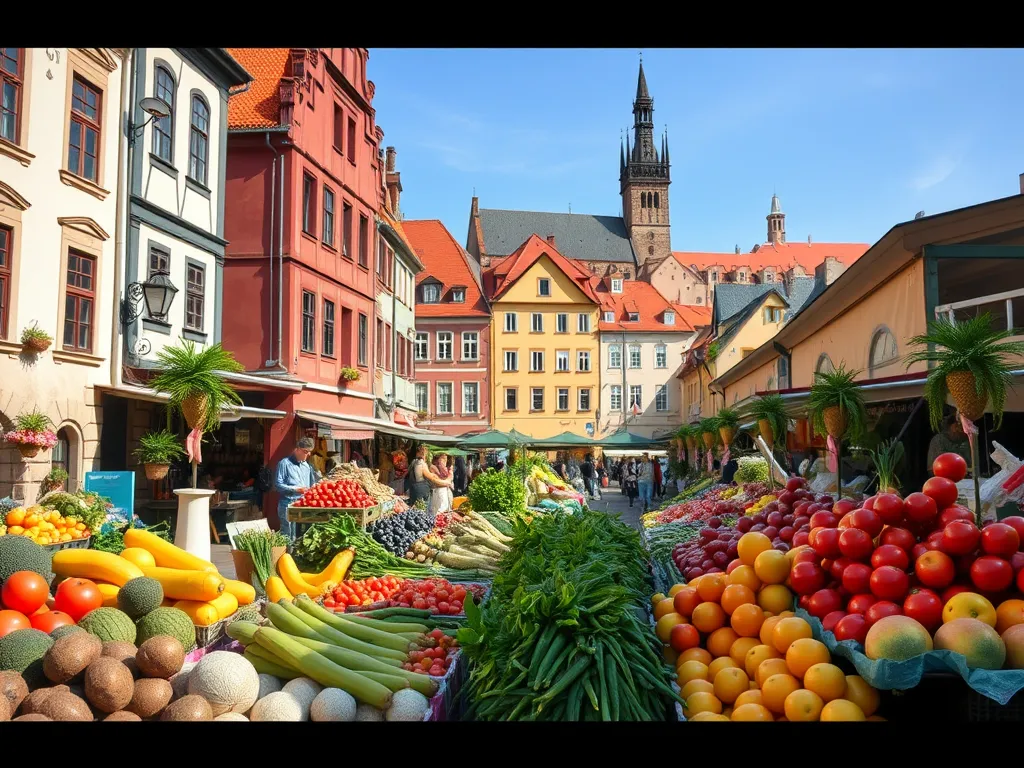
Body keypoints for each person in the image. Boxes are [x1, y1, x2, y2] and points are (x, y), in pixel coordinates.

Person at [274, 437, 319, 541]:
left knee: (304, 534)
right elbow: (278, 485)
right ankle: (286, 555)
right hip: (287, 503)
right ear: (297, 449)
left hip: (303, 504)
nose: (308, 455)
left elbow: (312, 484)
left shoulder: (307, 466)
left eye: (309, 452)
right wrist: (296, 489)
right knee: (288, 535)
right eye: (305, 452)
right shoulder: (284, 463)